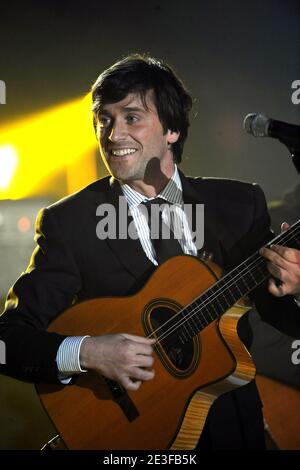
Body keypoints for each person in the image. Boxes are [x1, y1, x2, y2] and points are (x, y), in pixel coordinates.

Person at [0, 54, 300, 450]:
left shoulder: (238, 204)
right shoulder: (70, 222)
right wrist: (88, 351)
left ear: (172, 129)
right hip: (128, 440)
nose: (112, 134)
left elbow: (282, 317)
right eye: (103, 120)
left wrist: (295, 287)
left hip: (233, 432)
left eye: (131, 118)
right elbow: (9, 340)